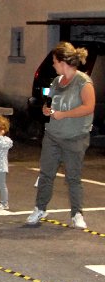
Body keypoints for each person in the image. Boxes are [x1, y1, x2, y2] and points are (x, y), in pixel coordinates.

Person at [27, 42, 95, 229]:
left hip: (75, 137)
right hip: (52, 135)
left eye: (55, 62)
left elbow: (89, 107)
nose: (53, 65)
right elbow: (50, 102)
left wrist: (64, 114)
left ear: (63, 62)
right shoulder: (56, 81)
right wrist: (46, 109)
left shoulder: (83, 82)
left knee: (73, 177)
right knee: (46, 174)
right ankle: (40, 208)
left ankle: (77, 214)